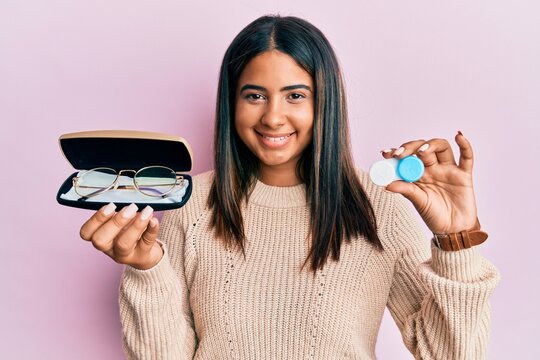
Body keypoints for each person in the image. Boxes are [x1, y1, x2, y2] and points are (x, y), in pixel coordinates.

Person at [79, 15, 500, 359]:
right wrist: (146, 268)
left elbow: (451, 355)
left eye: (296, 95)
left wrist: (456, 241)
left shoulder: (378, 208)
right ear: (232, 102)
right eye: (255, 95)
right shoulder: (192, 208)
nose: (273, 118)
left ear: (324, 102)